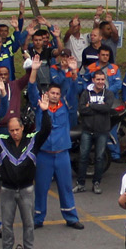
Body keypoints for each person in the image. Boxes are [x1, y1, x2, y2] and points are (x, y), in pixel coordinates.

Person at [0, 95, 48, 249]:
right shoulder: (2, 142)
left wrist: (45, 112)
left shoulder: (33, 141)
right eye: (11, 130)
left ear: (22, 128)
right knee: (8, 224)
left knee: (28, 223)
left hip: (26, 189)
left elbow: (46, 130)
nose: (15, 133)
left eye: (17, 129)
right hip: (8, 190)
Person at [31, 83, 84, 231]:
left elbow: (73, 93)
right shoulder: (40, 106)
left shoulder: (65, 107)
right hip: (44, 155)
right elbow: (31, 90)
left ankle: (71, 218)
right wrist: (33, 71)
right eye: (52, 93)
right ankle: (38, 218)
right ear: (47, 93)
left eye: (57, 93)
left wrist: (73, 76)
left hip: (62, 155)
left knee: (65, 187)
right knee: (41, 188)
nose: (54, 95)